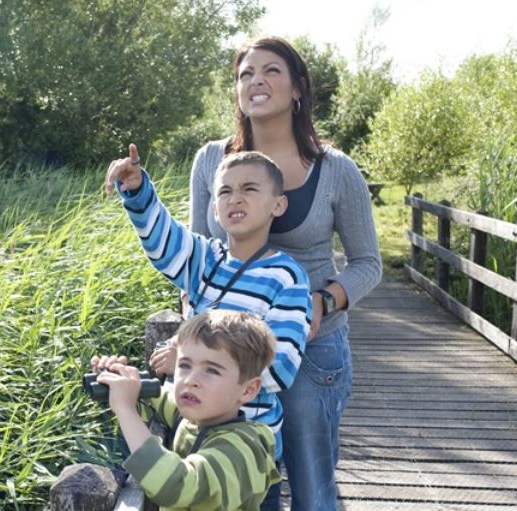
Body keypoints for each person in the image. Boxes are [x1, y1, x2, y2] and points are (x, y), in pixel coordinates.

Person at [187, 36, 383, 510]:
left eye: (271, 71)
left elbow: (368, 264)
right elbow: (195, 261)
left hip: (314, 351)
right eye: (245, 74)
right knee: (246, 491)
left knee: (313, 492)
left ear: (297, 88)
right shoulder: (211, 161)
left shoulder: (336, 170)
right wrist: (187, 342)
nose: (256, 81)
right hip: (228, 362)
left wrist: (324, 301)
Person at [104, 147, 312, 508]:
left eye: (250, 189)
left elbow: (281, 367)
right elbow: (164, 242)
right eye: (225, 191)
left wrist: (187, 358)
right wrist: (138, 191)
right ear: (214, 208)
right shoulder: (207, 259)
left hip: (244, 442)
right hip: (196, 425)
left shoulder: (287, 276)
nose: (236, 198)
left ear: (277, 205)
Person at [91, 310, 281, 510]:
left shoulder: (243, 449)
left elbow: (175, 486)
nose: (191, 380)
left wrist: (126, 410)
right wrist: (122, 380)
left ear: (248, 389)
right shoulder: (195, 419)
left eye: (212, 370)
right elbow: (155, 401)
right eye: (184, 365)